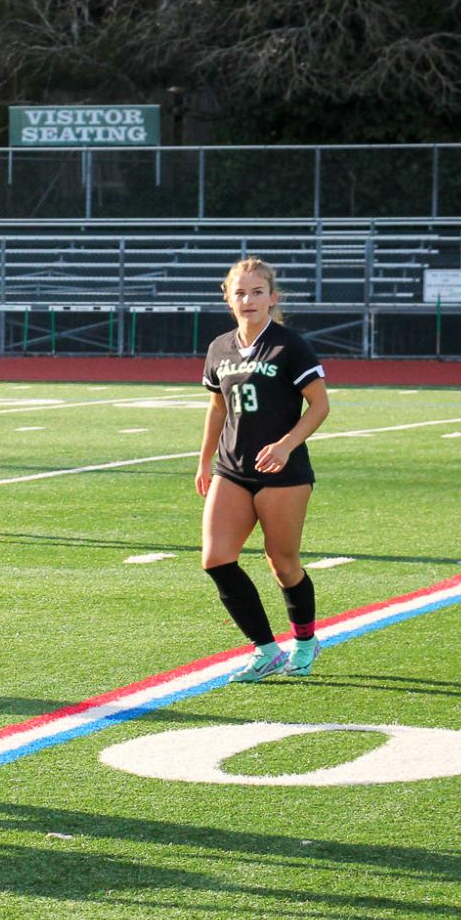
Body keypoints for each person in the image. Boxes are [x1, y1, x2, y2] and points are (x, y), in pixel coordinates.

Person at [194, 257, 331, 680]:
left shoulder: (289, 345)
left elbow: (320, 405)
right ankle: (265, 649)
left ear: (272, 298)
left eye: (257, 292)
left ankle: (306, 640)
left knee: (283, 564)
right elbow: (218, 406)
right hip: (232, 467)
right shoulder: (219, 347)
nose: (248, 300)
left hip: (283, 474)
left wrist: (287, 445)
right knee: (215, 558)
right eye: (240, 292)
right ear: (227, 298)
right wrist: (204, 460)